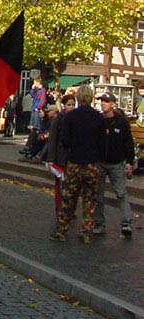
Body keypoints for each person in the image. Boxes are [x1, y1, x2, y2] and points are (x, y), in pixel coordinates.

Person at [50, 84, 105, 244]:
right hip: (92, 164)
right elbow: (103, 144)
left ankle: (61, 231)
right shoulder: (99, 118)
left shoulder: (71, 117)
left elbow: (65, 140)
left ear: (78, 99)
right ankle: (87, 232)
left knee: (69, 198)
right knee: (90, 199)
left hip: (74, 162)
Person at [93, 92, 135, 239]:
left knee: (121, 193)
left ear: (113, 104)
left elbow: (128, 143)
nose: (102, 104)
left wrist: (129, 162)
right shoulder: (98, 120)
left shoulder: (121, 122)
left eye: (106, 101)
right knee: (98, 195)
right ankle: (98, 223)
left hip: (116, 163)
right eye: (101, 101)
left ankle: (126, 223)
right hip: (100, 162)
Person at [44, 93, 76, 217]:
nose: (71, 107)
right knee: (60, 186)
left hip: (72, 157)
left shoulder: (76, 118)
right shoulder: (58, 119)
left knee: (72, 186)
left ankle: (70, 209)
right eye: (69, 105)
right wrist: (51, 158)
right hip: (60, 157)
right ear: (64, 105)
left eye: (73, 105)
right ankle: (60, 209)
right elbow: (52, 140)